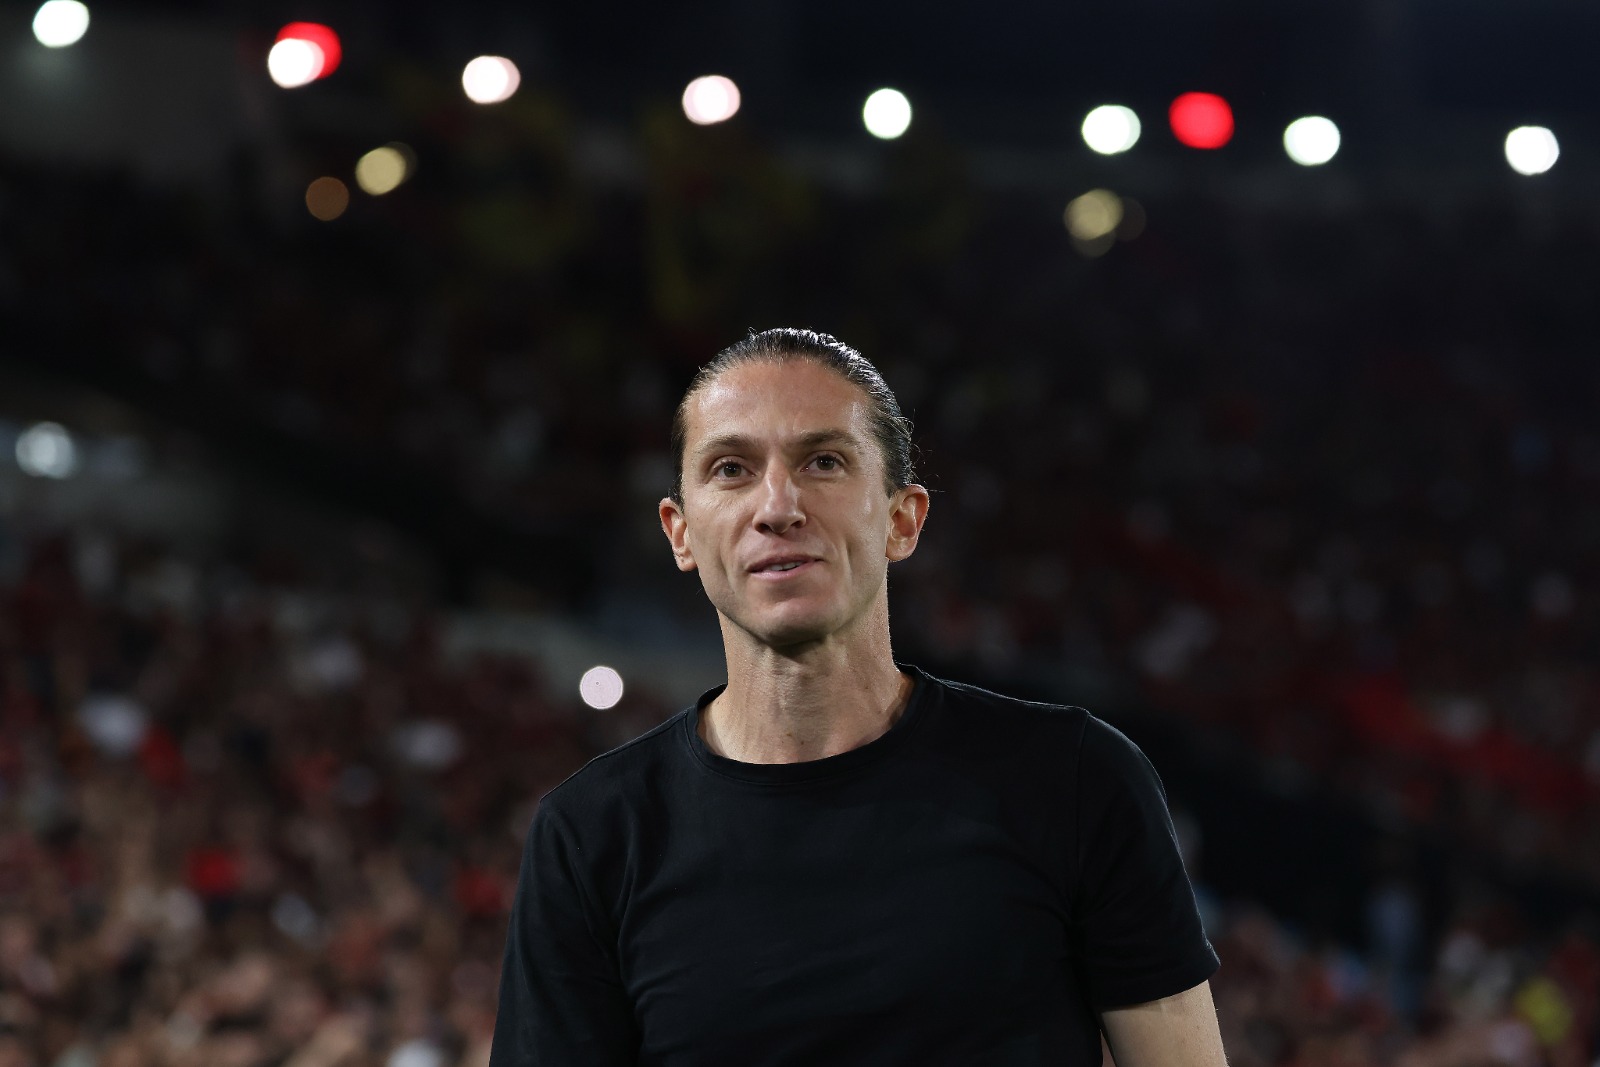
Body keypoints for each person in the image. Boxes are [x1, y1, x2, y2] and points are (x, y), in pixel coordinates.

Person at [489, 328, 1227, 1065]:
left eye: (824, 461)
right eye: (731, 468)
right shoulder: (590, 837)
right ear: (679, 533)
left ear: (903, 520)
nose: (778, 506)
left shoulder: (1076, 779)